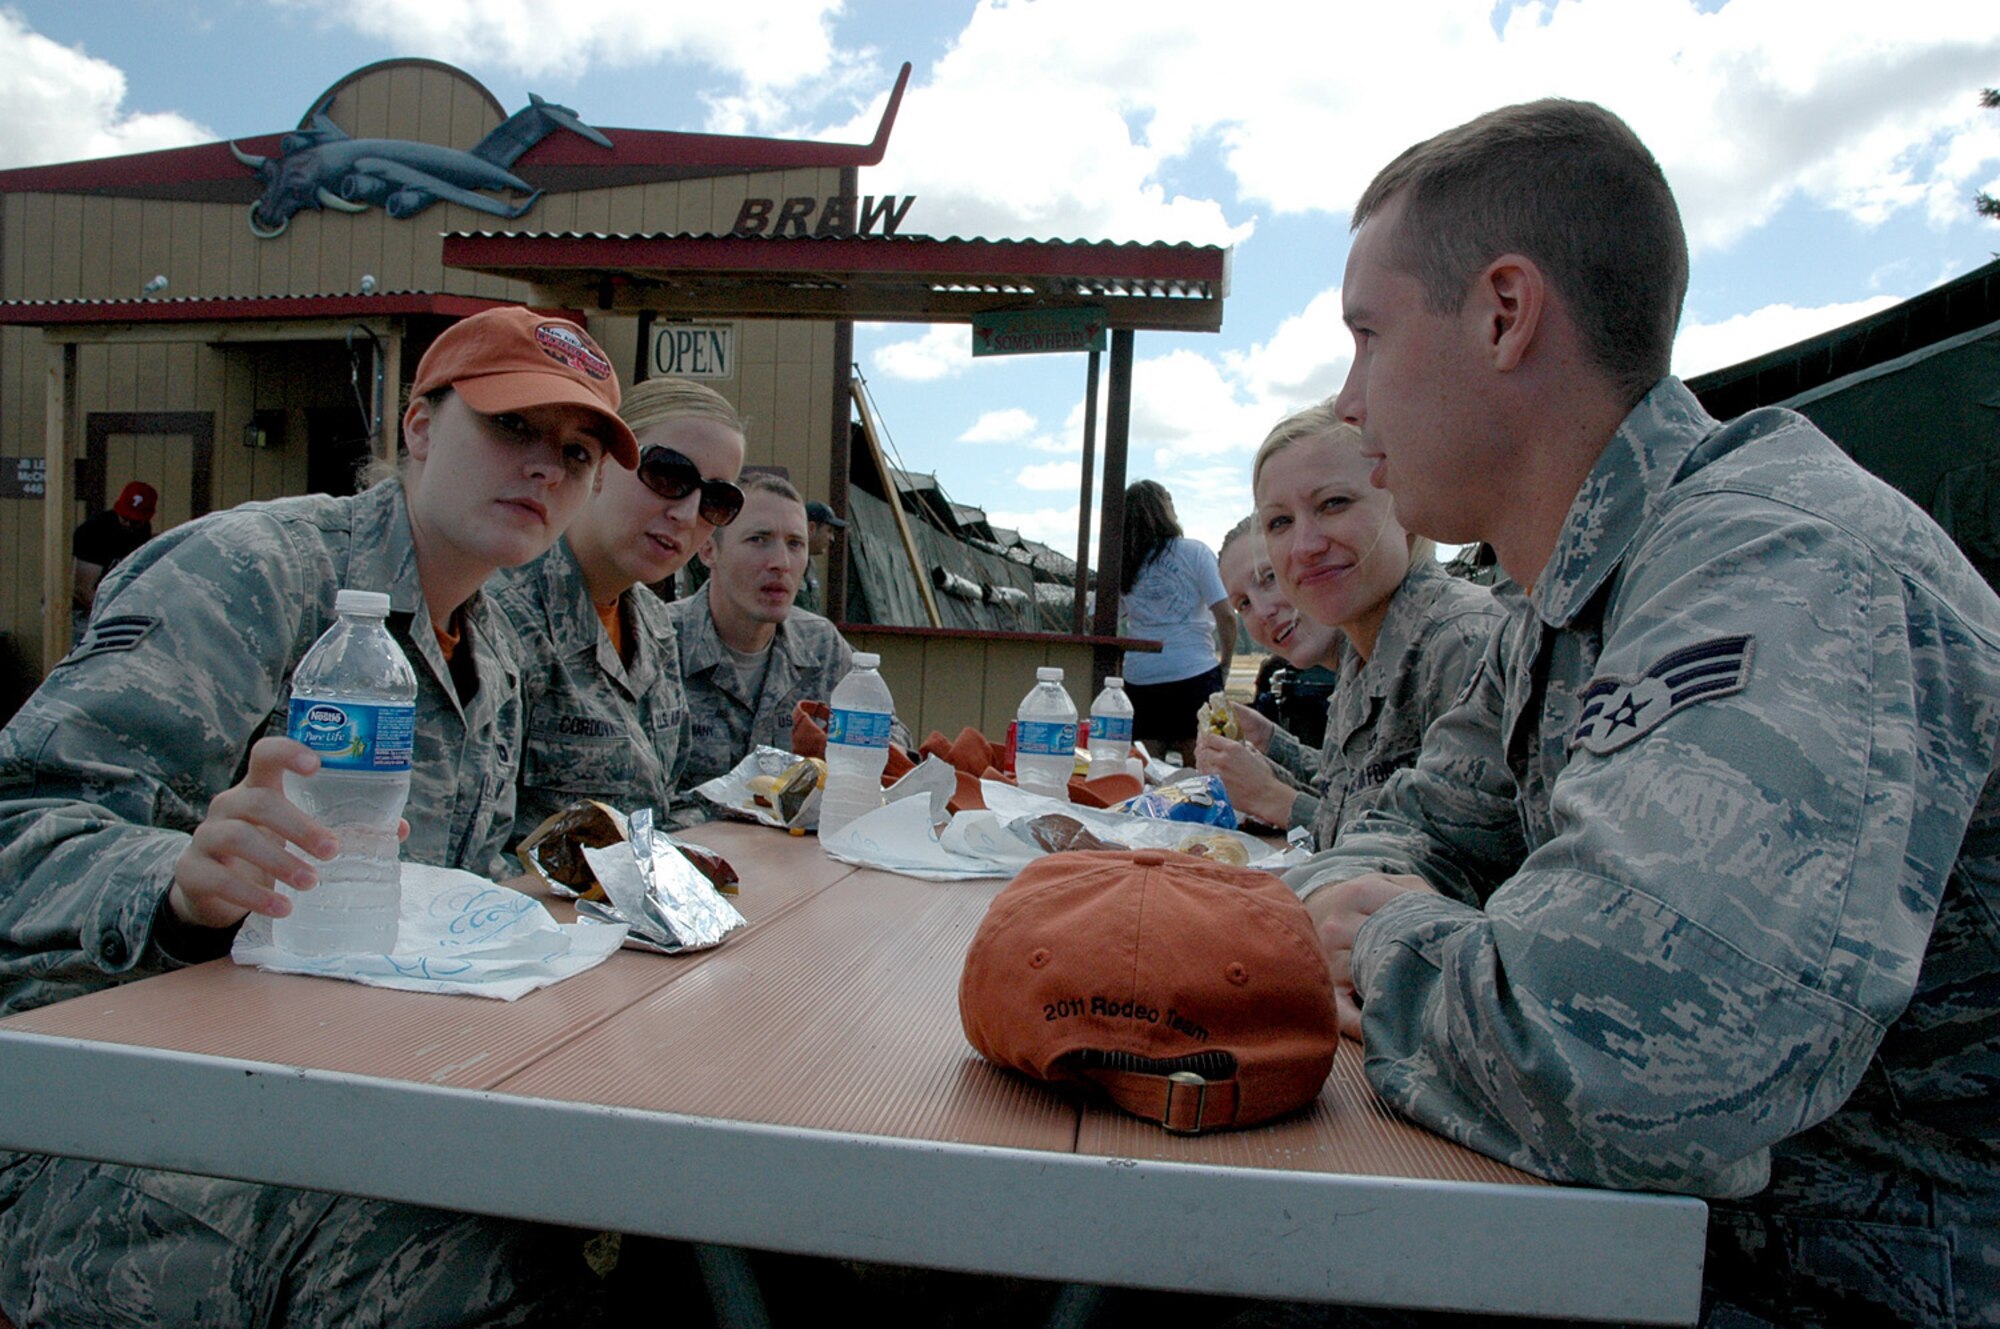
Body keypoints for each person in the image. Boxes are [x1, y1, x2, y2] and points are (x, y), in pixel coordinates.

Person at [1293, 99, 2000, 1326]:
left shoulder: (1781, 563)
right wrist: (1371, 904)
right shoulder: (1561, 598)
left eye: (1366, 334)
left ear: (1503, 314)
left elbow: (1628, 1063)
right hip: (1641, 1245)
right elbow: (1414, 828)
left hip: (1840, 1286)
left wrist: (1384, 944)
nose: (1349, 402)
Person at [0, 305, 641, 1326]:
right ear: (418, 428)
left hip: (335, 1087)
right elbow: (22, 820)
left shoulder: (496, 647)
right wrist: (176, 882)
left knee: (601, 1226)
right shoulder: (251, 574)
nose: (546, 470)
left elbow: (409, 898)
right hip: (111, 1118)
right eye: (511, 428)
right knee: (476, 1268)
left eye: (575, 452)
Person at [1221, 411, 1502, 850]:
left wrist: (1272, 798)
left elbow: (1431, 862)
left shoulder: (1463, 643)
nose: (1305, 547)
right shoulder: (1360, 654)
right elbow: (1353, 799)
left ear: (1405, 505)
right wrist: (1273, 746)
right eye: (1280, 522)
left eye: (1333, 503)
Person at [497, 377, 746, 847]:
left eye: (716, 501)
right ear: (601, 463)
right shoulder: (502, 611)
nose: (687, 514)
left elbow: (659, 808)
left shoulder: (654, 626)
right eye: (669, 475)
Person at [667, 473, 857, 819]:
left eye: (795, 544)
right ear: (708, 549)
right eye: (759, 539)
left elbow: (885, 746)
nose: (781, 563)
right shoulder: (660, 643)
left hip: (798, 865)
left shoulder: (821, 646)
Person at [1194, 514, 1342, 831]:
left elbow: (1401, 841)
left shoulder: (1420, 655)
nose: (1262, 611)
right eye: (1243, 603)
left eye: (1270, 577)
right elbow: (1347, 791)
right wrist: (1269, 741)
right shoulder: (1355, 676)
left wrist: (1267, 796)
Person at [1118, 479, 1234, 765]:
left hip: (1141, 677)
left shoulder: (1125, 563)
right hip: (1194, 672)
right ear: (1166, 508)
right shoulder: (1195, 553)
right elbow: (1226, 616)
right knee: (1202, 769)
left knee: (1147, 768)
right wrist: (1225, 664)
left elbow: (1098, 616)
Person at [71, 479, 158, 638]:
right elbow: (82, 589)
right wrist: (117, 613)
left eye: (136, 521)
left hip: (112, 606)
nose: (129, 524)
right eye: (125, 517)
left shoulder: (142, 530)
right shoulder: (94, 532)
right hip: (78, 610)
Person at [797, 498, 847, 615]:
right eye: (829, 531)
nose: (832, 538)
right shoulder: (788, 564)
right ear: (811, 528)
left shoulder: (812, 567)